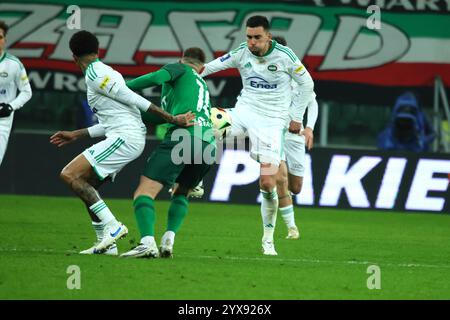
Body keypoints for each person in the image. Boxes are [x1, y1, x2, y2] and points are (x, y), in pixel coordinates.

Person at [49, 30, 195, 255]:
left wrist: (170, 118)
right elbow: (113, 119)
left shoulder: (95, 74)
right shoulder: (104, 71)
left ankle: (114, 227)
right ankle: (107, 244)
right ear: (98, 51)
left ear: (73, 57)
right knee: (89, 185)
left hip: (126, 137)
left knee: (70, 174)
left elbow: (133, 98)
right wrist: (76, 134)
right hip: (124, 134)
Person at [201, 16, 315, 255]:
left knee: (267, 182)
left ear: (268, 37)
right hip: (244, 111)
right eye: (249, 37)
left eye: (257, 37)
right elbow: (210, 67)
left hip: (272, 123)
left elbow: (307, 85)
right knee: (206, 122)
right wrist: (189, 75)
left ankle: (268, 239)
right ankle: (194, 182)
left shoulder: (285, 56)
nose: (252, 42)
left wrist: (296, 118)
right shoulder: (242, 52)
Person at [120, 47, 216, 258]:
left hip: (184, 137)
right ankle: (168, 240)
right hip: (208, 143)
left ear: (181, 60)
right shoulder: (200, 85)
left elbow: (155, 77)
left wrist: (121, 88)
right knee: (181, 192)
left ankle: (146, 243)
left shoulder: (179, 69)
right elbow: (159, 116)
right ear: (202, 68)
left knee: (144, 192)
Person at [272, 36, 319, 240]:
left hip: (295, 136)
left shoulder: (298, 73)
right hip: (272, 133)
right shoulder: (263, 74)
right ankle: (286, 229)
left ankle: (284, 205)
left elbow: (312, 103)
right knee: (274, 179)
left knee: (295, 187)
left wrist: (309, 128)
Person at [0, 21, 32, 166]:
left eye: (0, 37)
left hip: (2, 120)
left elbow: (27, 92)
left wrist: (10, 107)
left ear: (5, 40)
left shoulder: (14, 64)